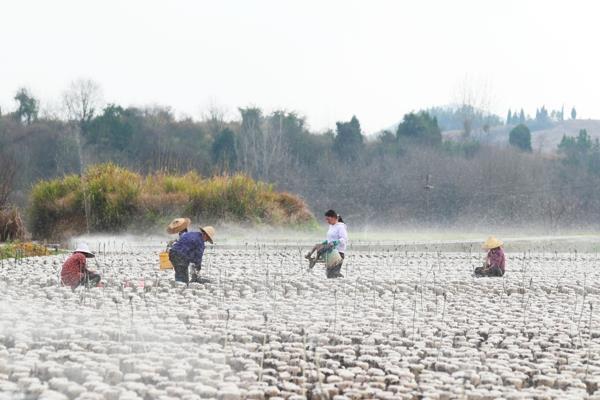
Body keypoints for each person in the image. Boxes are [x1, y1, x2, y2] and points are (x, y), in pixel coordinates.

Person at [305, 209, 348, 278]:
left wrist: (335, 242)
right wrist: (325, 242)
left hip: (338, 253)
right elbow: (330, 239)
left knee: (333, 274)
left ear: (334, 218)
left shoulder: (341, 227)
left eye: (328, 219)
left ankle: (315, 260)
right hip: (330, 251)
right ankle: (311, 257)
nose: (327, 221)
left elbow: (344, 239)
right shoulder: (331, 226)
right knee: (330, 274)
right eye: (326, 220)